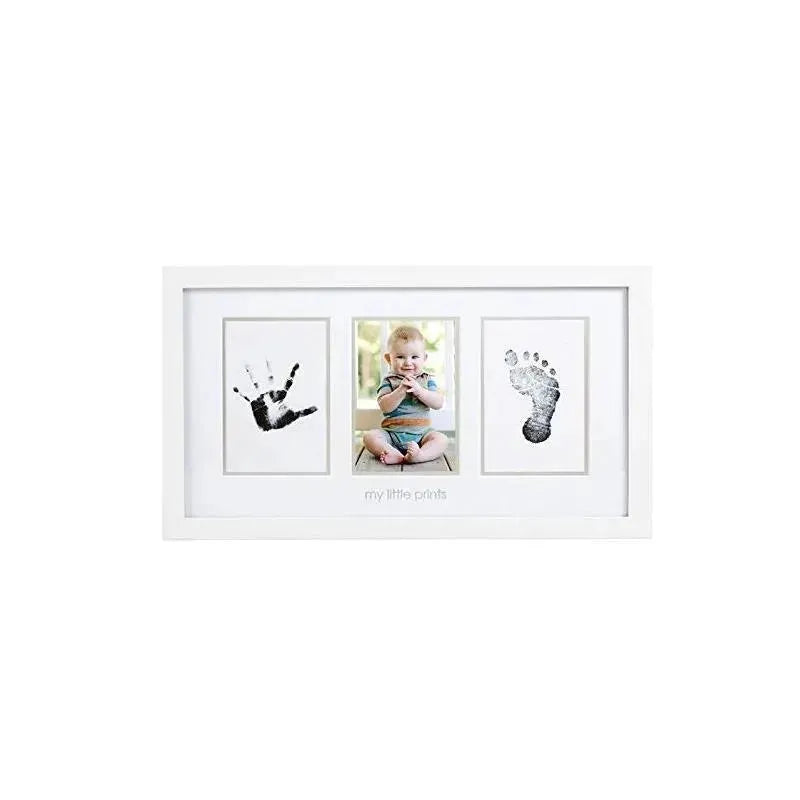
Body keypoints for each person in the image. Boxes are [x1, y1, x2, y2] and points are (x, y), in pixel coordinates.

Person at [362, 325, 449, 465]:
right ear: (388, 359)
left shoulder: (426, 379)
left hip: (422, 435)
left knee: (441, 439)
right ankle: (393, 453)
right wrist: (401, 390)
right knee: (369, 437)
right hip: (392, 435)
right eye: (400, 357)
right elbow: (385, 407)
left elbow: (438, 403)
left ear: (424, 358)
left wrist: (420, 391)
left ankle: (420, 455)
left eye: (414, 357)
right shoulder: (389, 381)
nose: (408, 362)